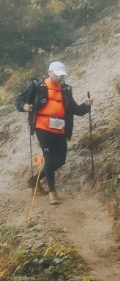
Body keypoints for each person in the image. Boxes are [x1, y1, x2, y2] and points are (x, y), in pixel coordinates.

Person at [16, 61, 91, 205]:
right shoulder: (37, 86)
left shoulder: (65, 89)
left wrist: (86, 106)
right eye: (57, 75)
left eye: (62, 76)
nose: (60, 78)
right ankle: (52, 191)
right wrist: (24, 106)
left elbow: (75, 109)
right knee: (50, 159)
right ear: (50, 72)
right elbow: (19, 100)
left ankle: (34, 180)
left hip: (60, 128)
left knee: (61, 160)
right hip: (42, 127)